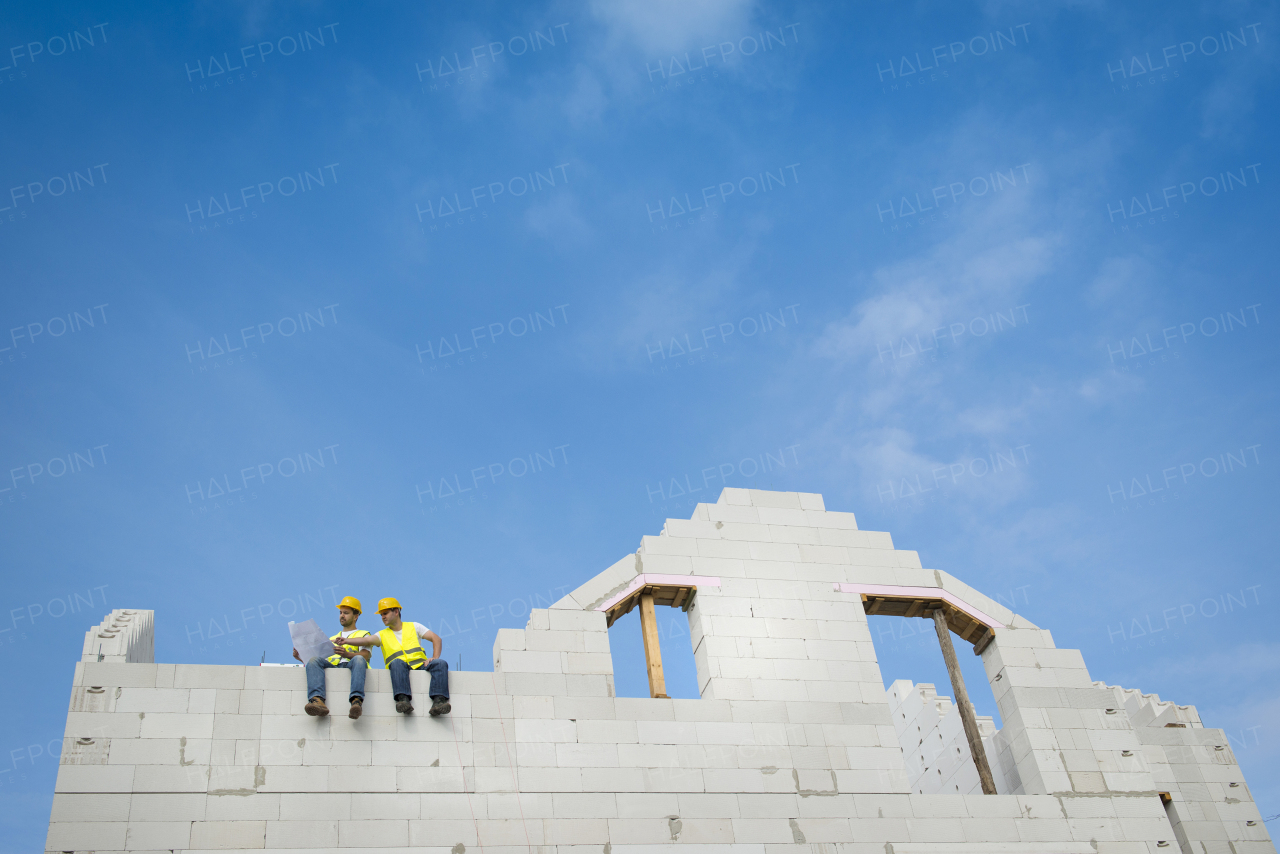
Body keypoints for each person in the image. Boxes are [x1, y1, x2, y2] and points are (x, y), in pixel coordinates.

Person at [347, 596, 450, 716]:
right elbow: (365, 641)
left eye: (385, 613)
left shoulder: (414, 626)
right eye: (381, 615)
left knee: (440, 663)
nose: (382, 617)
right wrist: (346, 641)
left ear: (396, 612)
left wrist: (434, 657)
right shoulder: (381, 635)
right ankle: (403, 700)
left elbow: (436, 638)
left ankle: (439, 702)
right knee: (396, 662)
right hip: (399, 669)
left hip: (420, 665)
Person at [293, 596, 372, 719]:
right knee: (314, 659)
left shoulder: (363, 635)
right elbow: (318, 662)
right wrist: (300, 657)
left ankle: (356, 701)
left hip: (351, 665)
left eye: (346, 613)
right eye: (340, 613)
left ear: (356, 616)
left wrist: (347, 655)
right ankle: (317, 701)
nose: (342, 615)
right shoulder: (332, 639)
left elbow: (365, 656)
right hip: (334, 667)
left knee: (359, 659)